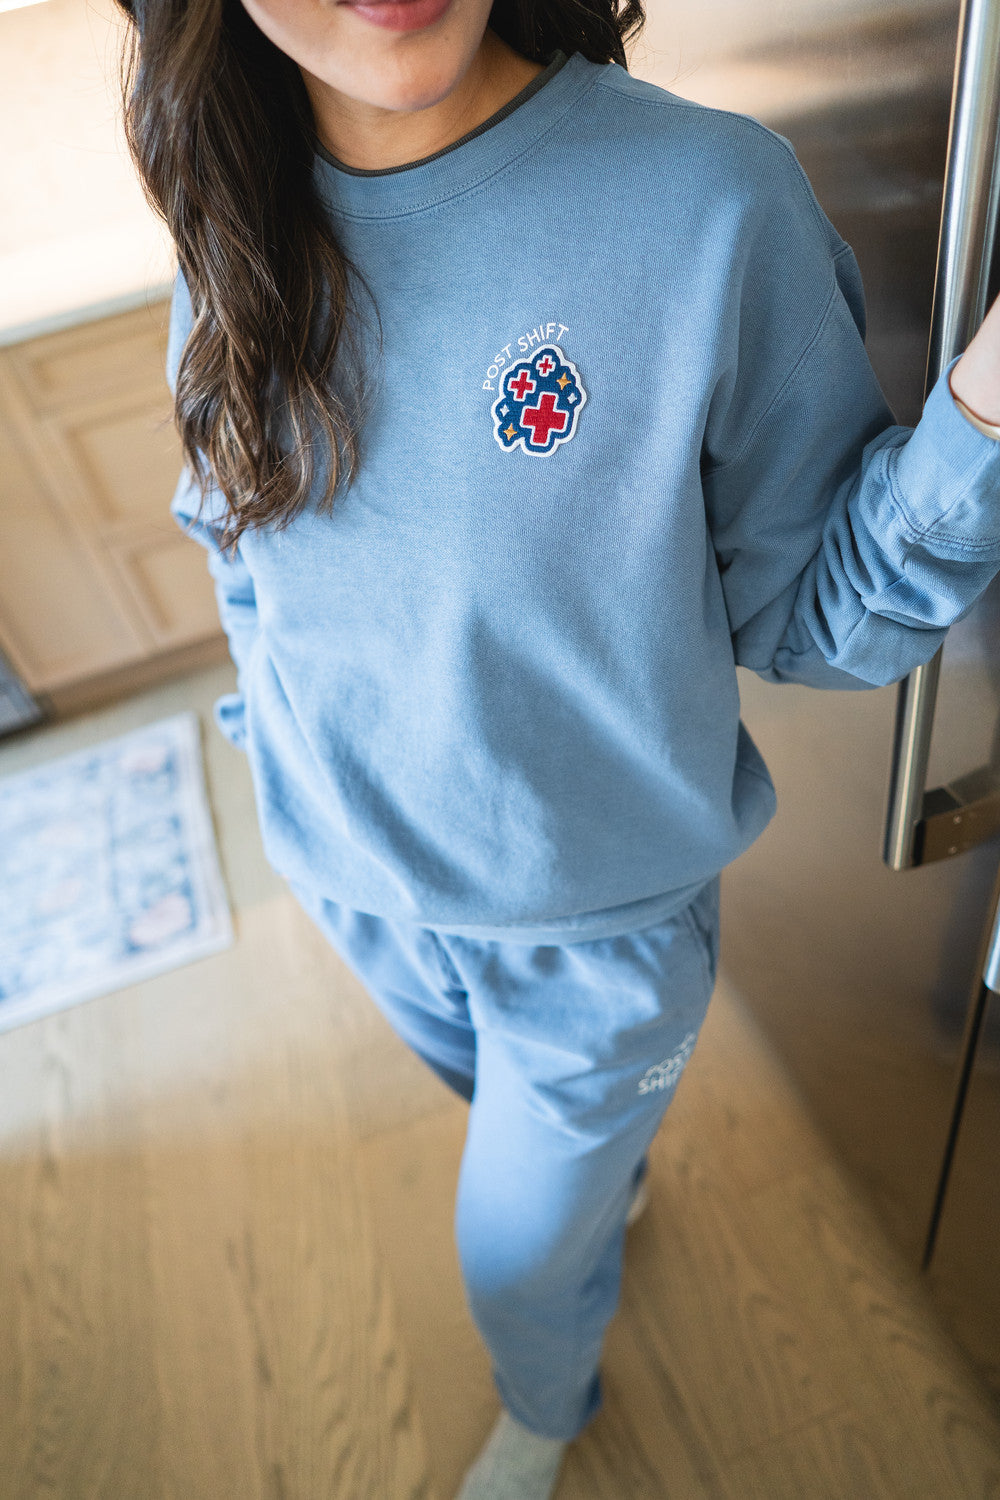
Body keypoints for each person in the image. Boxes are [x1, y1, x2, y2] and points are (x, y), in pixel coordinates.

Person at [114, 0, 1000, 1494]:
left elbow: (821, 618)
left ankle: (550, 1404)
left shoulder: (708, 203)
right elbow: (236, 524)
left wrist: (982, 412)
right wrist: (276, 731)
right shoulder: (235, 183)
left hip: (595, 940)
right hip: (351, 877)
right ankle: (599, 1189)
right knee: (532, 1155)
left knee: (514, 1255)